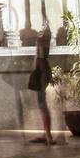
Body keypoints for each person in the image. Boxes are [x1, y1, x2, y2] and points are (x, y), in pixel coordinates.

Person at [28, 8, 55, 146]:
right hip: (39, 69)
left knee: (42, 104)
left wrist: (44, 11)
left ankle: (48, 135)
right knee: (40, 104)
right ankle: (46, 133)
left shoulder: (46, 35)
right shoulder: (44, 34)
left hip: (42, 70)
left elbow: (42, 56)